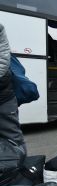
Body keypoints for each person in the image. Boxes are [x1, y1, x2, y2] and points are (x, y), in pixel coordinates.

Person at [0, 23, 26, 152]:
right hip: (5, 93)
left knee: (13, 136)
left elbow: (3, 61)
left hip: (4, 94)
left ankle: (20, 169)